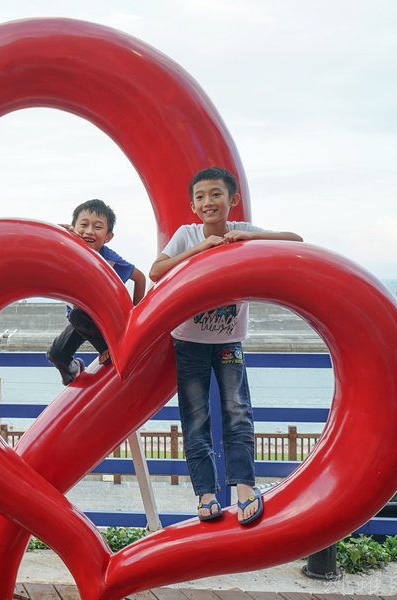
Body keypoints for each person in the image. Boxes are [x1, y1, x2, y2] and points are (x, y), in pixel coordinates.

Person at [149, 167, 302, 525]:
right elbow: (157, 270)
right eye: (200, 197)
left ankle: (245, 487)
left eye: (216, 194)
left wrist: (249, 241)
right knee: (196, 418)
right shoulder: (187, 235)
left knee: (237, 412)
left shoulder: (245, 232)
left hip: (229, 341)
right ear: (192, 205)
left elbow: (296, 241)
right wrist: (201, 248)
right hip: (189, 342)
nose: (208, 202)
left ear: (232, 200)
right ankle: (205, 495)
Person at [47, 199, 146, 385]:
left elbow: (139, 278)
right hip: (82, 320)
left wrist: (136, 314)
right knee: (56, 354)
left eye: (97, 227)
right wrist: (60, 233)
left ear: (108, 236)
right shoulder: (67, 249)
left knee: (77, 314)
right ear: (73, 228)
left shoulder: (109, 258)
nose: (89, 231)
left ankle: (106, 349)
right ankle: (74, 369)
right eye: (83, 225)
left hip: (105, 319)